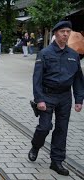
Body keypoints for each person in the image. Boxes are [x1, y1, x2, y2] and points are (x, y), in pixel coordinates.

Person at [28, 21, 84, 176]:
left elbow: (79, 79)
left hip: (65, 97)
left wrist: (79, 99)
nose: (65, 34)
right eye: (62, 31)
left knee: (62, 129)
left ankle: (56, 161)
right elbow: (36, 79)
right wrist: (39, 99)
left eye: (68, 31)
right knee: (45, 127)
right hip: (47, 95)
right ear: (56, 33)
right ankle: (35, 146)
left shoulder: (73, 55)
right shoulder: (45, 53)